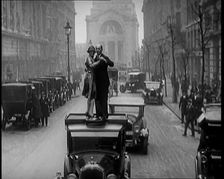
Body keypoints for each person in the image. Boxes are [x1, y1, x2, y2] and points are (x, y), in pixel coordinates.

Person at [94, 44, 114, 121]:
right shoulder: (95, 58)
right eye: (97, 49)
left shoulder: (104, 57)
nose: (98, 50)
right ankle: (98, 115)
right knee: (97, 99)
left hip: (104, 82)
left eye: (99, 48)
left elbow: (112, 64)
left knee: (104, 99)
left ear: (101, 50)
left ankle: (104, 115)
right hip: (97, 82)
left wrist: (105, 60)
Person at [82, 45, 97, 118]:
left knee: (91, 95)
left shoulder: (91, 58)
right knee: (91, 94)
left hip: (91, 77)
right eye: (91, 52)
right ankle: (90, 111)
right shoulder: (89, 59)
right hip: (90, 77)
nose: (92, 53)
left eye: (93, 52)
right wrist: (98, 62)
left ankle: (88, 111)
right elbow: (91, 66)